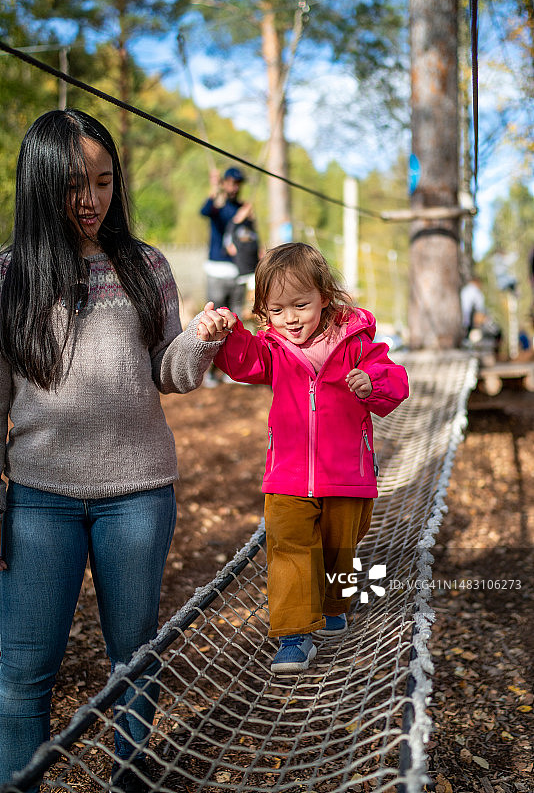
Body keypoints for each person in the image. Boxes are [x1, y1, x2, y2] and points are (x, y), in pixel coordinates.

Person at [0, 109, 231, 793]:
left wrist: (201, 339)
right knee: (22, 670)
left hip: (138, 496)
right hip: (39, 500)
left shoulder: (145, 264)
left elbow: (167, 368)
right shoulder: (10, 275)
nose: (91, 199)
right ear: (40, 184)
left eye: (103, 182)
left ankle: (129, 779)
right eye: (74, 184)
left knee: (134, 658)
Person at [209, 242, 409, 674]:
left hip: (347, 474)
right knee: (289, 548)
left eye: (301, 305)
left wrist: (370, 381)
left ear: (325, 296)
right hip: (287, 475)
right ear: (264, 311)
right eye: (277, 310)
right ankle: (294, 636)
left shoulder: (356, 344)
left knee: (340, 547)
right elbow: (243, 363)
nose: (291, 319)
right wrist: (229, 333)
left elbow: (395, 380)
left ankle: (335, 603)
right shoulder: (274, 348)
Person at [200, 166, 250, 386]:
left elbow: (247, 238)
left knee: (235, 321)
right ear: (224, 183)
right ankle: (210, 372)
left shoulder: (244, 209)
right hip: (217, 270)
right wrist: (213, 189)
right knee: (215, 321)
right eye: (230, 182)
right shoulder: (219, 207)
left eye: (237, 183)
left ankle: (233, 370)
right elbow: (205, 211)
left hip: (237, 272)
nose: (234, 186)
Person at [460, 274, 501, 352]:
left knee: (469, 337)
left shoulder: (464, 290)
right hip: (473, 319)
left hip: (466, 319)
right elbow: (479, 309)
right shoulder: (476, 292)